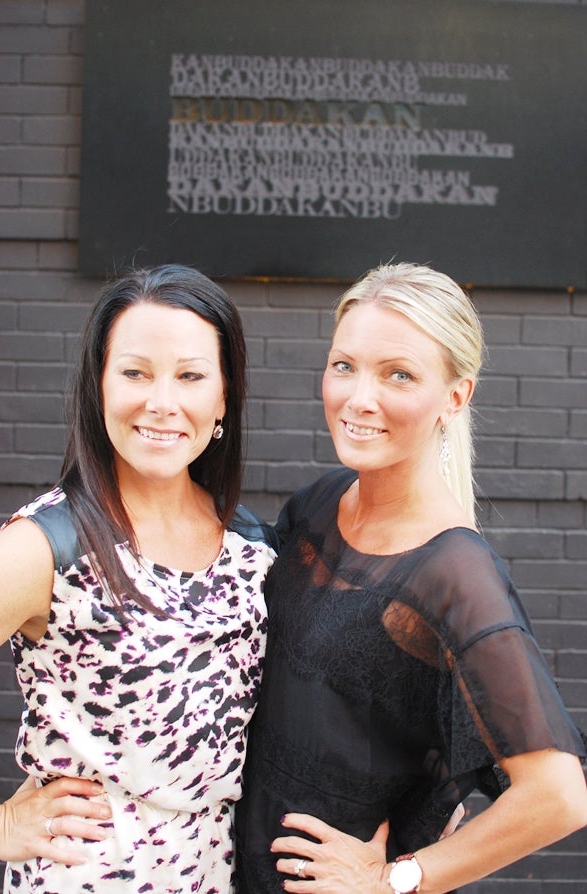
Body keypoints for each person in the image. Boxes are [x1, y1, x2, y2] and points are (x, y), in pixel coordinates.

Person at [235, 262, 587, 894]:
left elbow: (559, 795)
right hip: (236, 865)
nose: (358, 398)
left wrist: (395, 879)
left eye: (398, 374)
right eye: (344, 365)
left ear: (455, 397)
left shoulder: (456, 572)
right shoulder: (319, 503)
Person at [0, 265, 278, 893]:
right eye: (135, 373)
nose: (161, 402)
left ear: (224, 397)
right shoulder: (47, 546)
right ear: (99, 385)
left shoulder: (250, 547)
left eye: (191, 376)